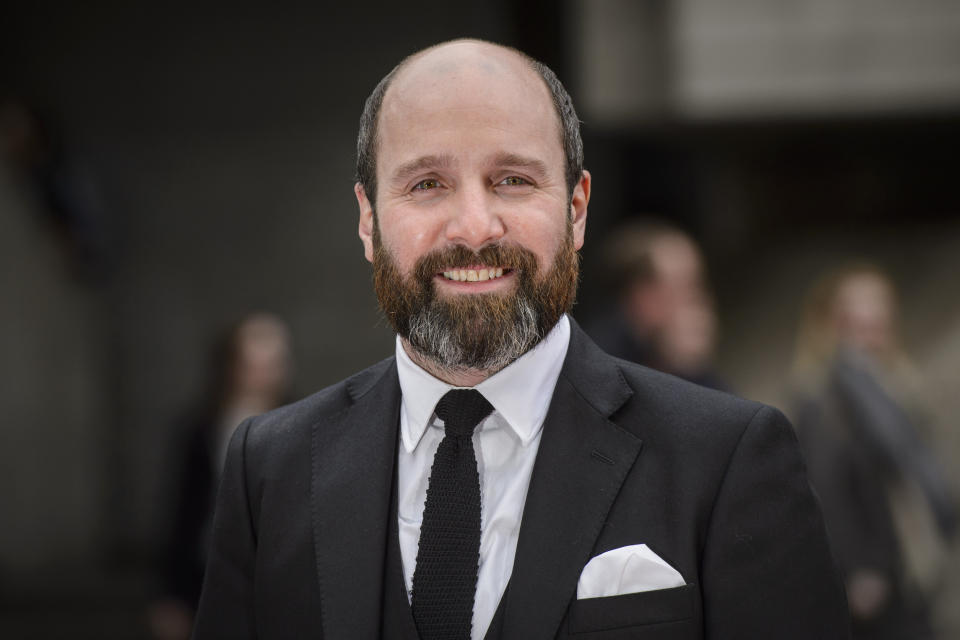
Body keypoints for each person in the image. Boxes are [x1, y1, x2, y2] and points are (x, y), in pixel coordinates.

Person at [193, 39, 848, 639]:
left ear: (577, 209)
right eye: (427, 184)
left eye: (513, 179)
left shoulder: (728, 457)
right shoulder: (269, 469)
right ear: (368, 221)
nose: (475, 228)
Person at [791, 265, 956, 640]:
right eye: (859, 307)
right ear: (834, 320)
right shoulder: (823, 396)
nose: (872, 315)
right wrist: (859, 568)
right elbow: (826, 488)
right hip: (876, 570)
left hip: (913, 556)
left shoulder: (894, 382)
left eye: (879, 303)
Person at [150, 313, 293, 640]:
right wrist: (170, 594)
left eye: (273, 363)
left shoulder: (305, 425)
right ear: (233, 365)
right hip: (209, 569)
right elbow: (181, 512)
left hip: (277, 575)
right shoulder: (202, 429)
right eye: (254, 363)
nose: (264, 375)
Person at [587, 219, 725, 389]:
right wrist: (681, 369)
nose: (697, 301)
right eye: (683, 287)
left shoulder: (676, 352)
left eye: (698, 285)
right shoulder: (600, 360)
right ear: (644, 297)